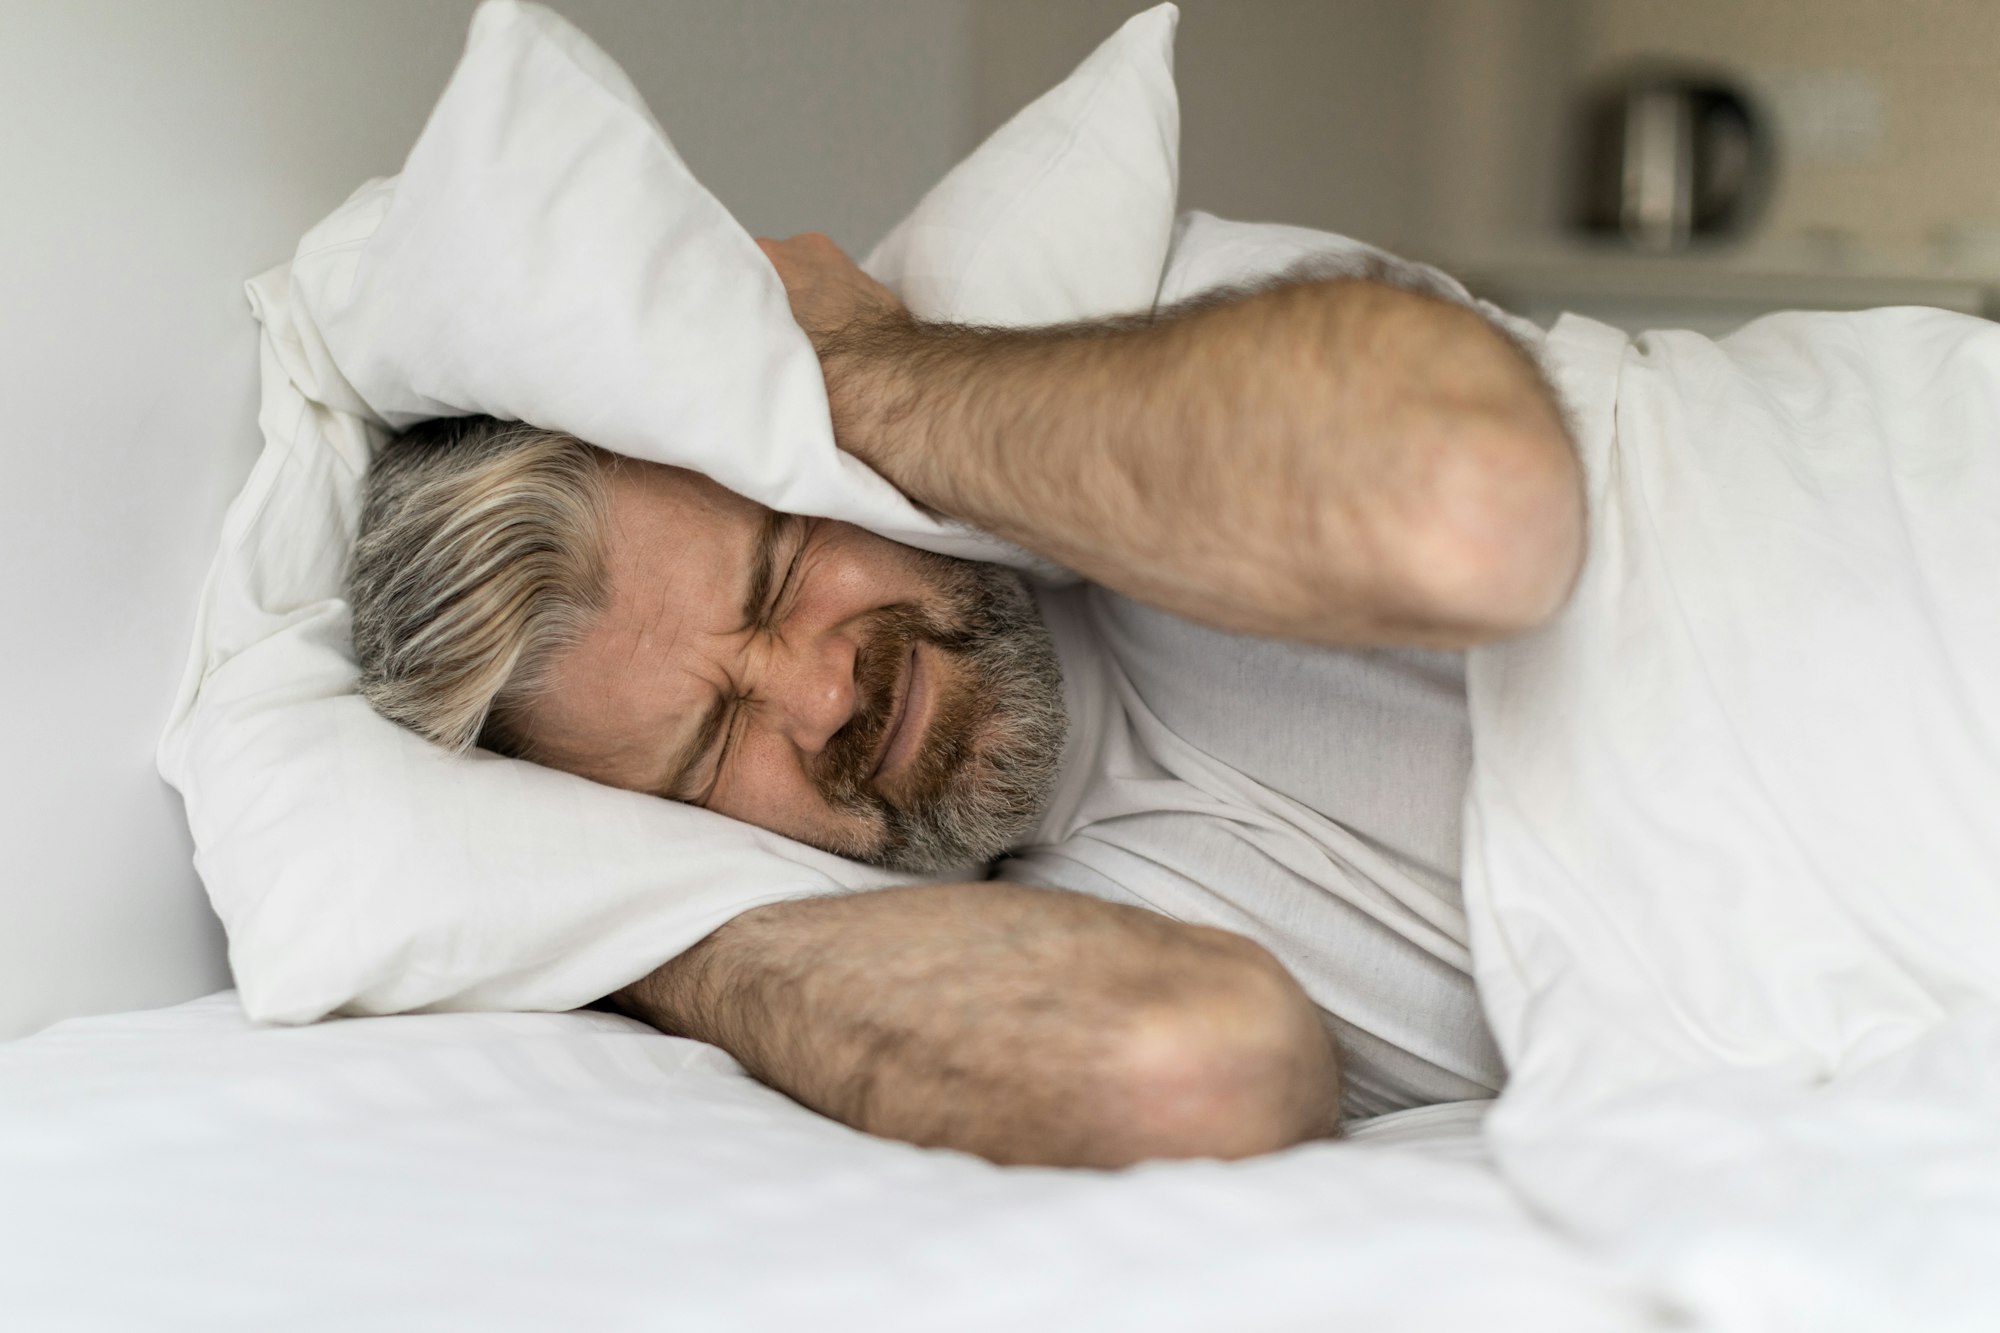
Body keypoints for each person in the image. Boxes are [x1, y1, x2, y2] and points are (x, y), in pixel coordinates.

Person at [346, 232, 1581, 1168]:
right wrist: (645, 937)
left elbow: (1468, 499)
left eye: (779, 577)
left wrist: (853, 362)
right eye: (710, 744)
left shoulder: (1134, 355)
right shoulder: (1016, 944)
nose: (819, 696)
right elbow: (1197, 1066)